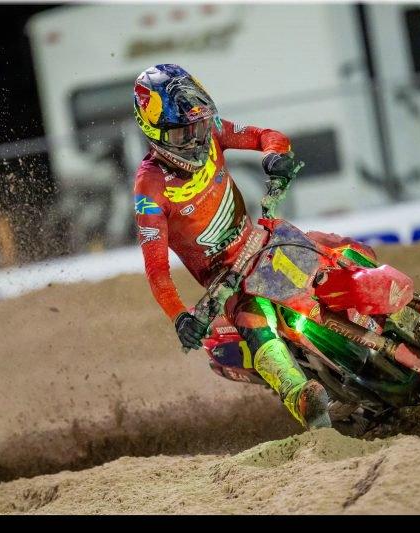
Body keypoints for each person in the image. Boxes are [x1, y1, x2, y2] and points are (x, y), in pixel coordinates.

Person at [132, 64, 331, 430]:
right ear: (153, 132)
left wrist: (274, 154)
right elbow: (156, 270)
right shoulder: (150, 189)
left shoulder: (212, 132)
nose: (195, 140)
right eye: (182, 133)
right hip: (228, 281)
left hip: (263, 244)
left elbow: (269, 135)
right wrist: (179, 316)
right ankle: (302, 399)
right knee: (256, 325)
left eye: (198, 126)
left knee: (329, 248)